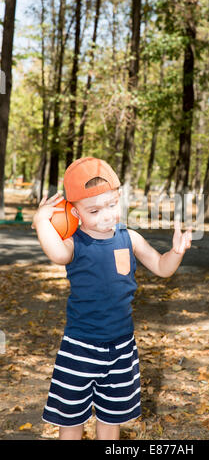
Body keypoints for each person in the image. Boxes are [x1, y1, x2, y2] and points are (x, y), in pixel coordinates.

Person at [33, 157, 192, 440]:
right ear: (74, 211)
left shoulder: (129, 238)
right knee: (70, 419)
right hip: (79, 347)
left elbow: (161, 267)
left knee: (111, 418)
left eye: (112, 205)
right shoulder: (74, 242)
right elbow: (56, 254)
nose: (106, 216)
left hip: (121, 347)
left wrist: (176, 253)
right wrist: (41, 221)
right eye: (94, 210)